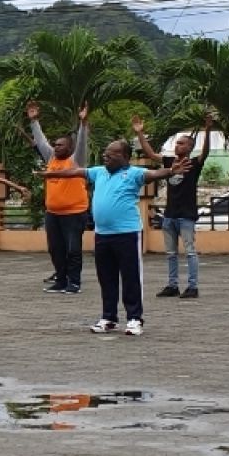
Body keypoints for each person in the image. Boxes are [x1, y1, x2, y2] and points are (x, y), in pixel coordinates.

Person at [41, 141, 189, 336]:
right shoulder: (99, 172)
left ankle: (134, 319)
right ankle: (109, 318)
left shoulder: (134, 173)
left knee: (131, 277)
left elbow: (153, 175)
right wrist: (50, 174)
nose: (106, 157)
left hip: (127, 234)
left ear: (125, 157)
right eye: (105, 153)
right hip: (102, 235)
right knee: (106, 278)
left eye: (111, 154)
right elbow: (74, 172)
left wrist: (170, 171)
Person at [132, 113, 212, 299]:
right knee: (171, 253)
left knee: (190, 252)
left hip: (186, 215)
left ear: (190, 147)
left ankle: (192, 287)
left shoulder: (193, 164)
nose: (177, 146)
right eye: (177, 143)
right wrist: (140, 133)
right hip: (170, 215)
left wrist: (207, 130)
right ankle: (172, 285)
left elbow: (205, 152)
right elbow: (151, 154)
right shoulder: (169, 162)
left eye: (181, 143)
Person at [28, 100, 90, 294]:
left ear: (69, 148)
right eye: (55, 145)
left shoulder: (76, 160)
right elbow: (41, 141)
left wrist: (83, 124)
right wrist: (34, 121)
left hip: (74, 213)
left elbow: (82, 143)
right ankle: (61, 280)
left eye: (61, 145)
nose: (56, 147)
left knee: (73, 250)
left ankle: (74, 283)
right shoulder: (50, 159)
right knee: (55, 250)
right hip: (53, 213)